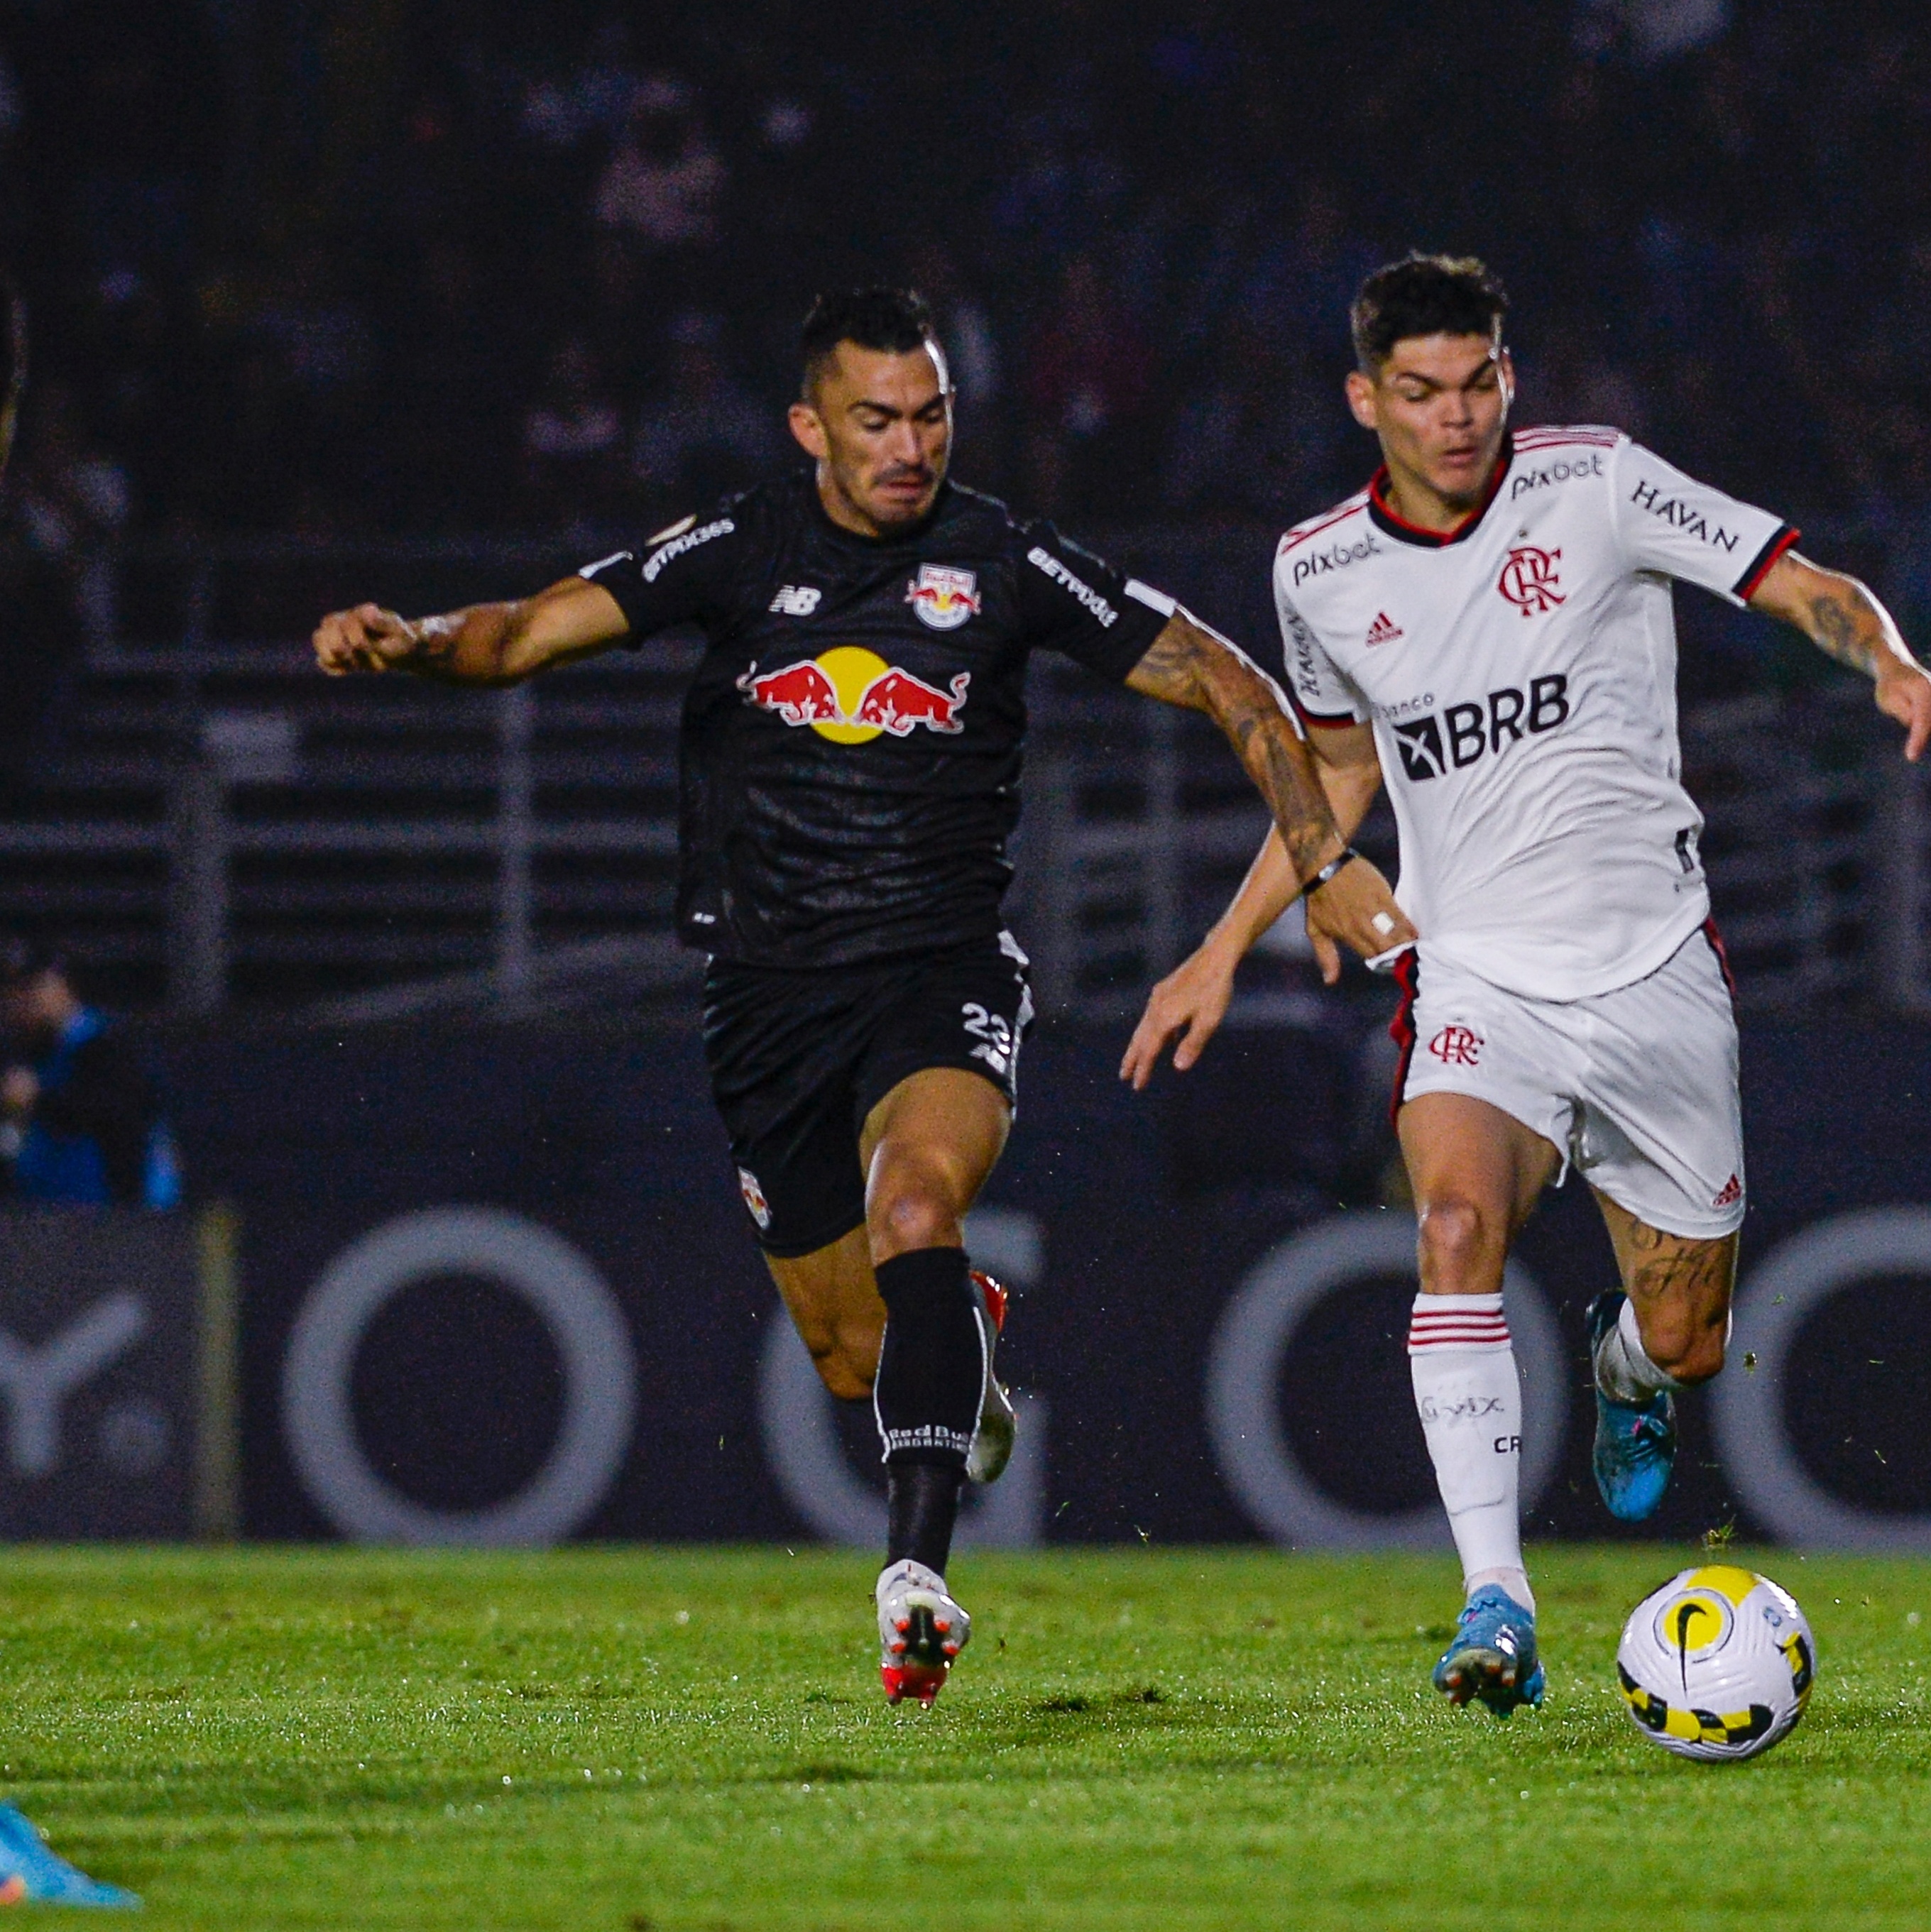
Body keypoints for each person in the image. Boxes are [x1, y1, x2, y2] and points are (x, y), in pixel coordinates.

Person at [313, 286, 1412, 1706]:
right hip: (765, 1000)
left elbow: (1222, 676)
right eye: (877, 419)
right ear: (808, 425)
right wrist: (409, 634)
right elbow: (524, 633)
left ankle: (917, 1577)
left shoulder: (1004, 558)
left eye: (933, 413)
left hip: (938, 973)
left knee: (916, 1208)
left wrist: (1320, 853)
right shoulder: (737, 545)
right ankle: (969, 1362)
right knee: (851, 1356)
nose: (911, 445)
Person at [1122, 253, 1931, 1718]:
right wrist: (1229, 935)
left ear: (1511, 372)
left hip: (1654, 968)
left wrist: (1884, 656)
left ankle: (1624, 1367)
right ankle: (1495, 1597)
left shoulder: (1598, 485)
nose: (1456, 416)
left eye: (1480, 379)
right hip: (1475, 969)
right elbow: (1340, 767)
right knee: (1448, 1223)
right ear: (1364, 397)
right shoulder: (1318, 572)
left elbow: (1794, 579)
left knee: (1686, 1336)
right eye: (1420, 391)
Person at [0, 936, 181, 1209]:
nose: (22, 1000)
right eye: (11, 991)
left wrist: (38, 1099)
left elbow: (113, 1114)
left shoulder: (109, 1044)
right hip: (45, 1221)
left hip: (114, 1221)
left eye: (32, 986)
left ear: (62, 984)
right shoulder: (25, 1054)